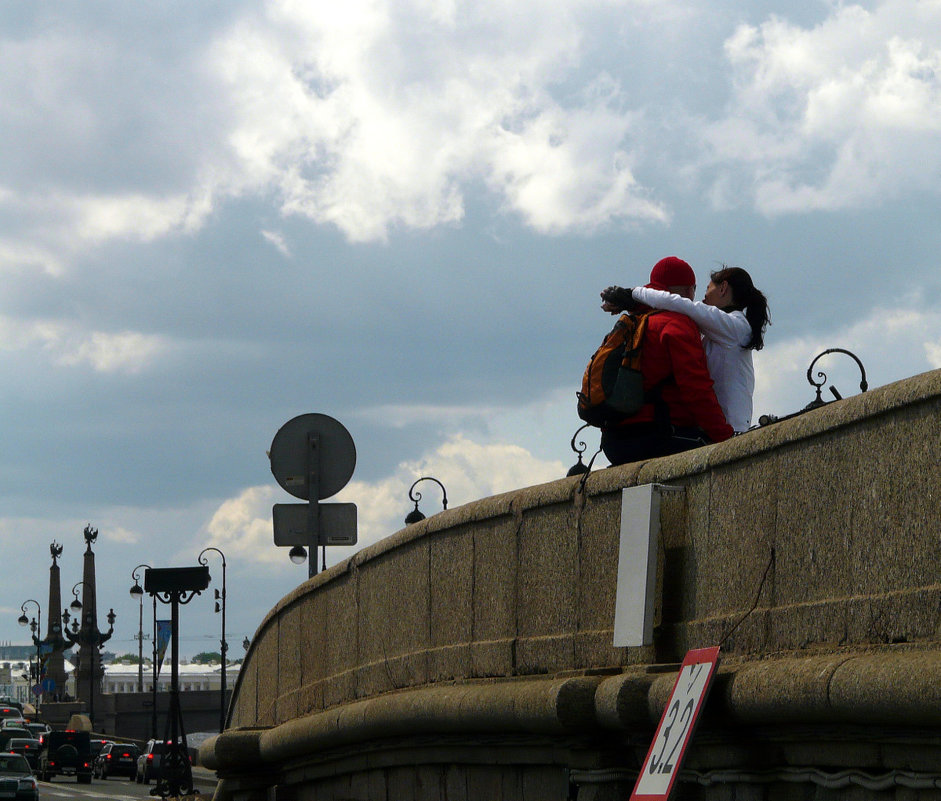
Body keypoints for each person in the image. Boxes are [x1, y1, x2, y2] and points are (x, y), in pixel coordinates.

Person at [597, 257, 734, 465]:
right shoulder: (677, 324)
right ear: (688, 291)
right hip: (660, 436)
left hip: (613, 442)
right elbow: (696, 389)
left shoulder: (633, 321)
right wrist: (726, 437)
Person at [602, 265, 770, 432]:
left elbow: (678, 304)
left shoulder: (735, 326)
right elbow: (673, 308)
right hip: (721, 425)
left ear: (723, 288)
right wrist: (633, 305)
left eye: (707, 288)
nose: (701, 298)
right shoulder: (720, 329)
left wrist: (632, 293)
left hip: (731, 426)